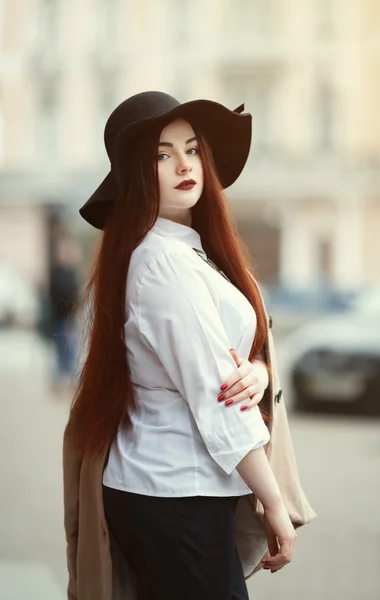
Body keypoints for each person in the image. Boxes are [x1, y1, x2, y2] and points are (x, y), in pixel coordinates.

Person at [63, 92, 314, 600]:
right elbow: (215, 398)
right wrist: (274, 505)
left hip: (183, 490)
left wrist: (260, 371)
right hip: (174, 490)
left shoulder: (189, 251)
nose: (184, 164)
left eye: (193, 149)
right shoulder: (162, 264)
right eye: (162, 154)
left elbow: (238, 348)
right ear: (138, 172)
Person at [48, 238, 80, 392]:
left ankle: (67, 379)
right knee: (63, 349)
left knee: (70, 349)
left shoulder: (71, 272)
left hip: (70, 318)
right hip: (61, 317)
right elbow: (59, 293)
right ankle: (61, 379)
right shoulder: (57, 272)